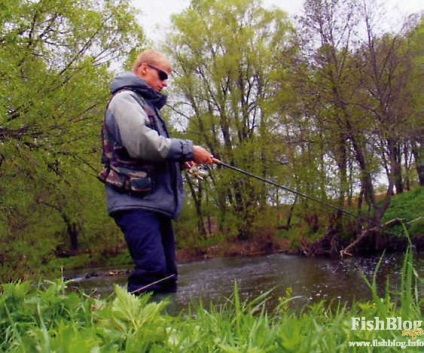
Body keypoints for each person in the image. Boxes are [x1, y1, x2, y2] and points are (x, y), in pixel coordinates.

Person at [98, 49, 213, 296]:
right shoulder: (125, 100)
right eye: (162, 75)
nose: (165, 83)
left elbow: (149, 152)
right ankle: (132, 328)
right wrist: (188, 149)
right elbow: (142, 143)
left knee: (167, 274)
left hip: (153, 202)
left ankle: (165, 331)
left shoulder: (144, 104)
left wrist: (179, 161)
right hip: (134, 202)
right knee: (152, 270)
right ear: (144, 69)